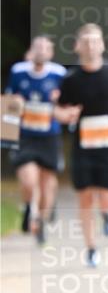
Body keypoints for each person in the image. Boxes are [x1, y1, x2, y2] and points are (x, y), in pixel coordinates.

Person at [54, 24, 108, 267]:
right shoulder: (71, 78)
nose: (90, 45)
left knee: (107, 198)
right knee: (85, 199)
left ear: (102, 45)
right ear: (78, 46)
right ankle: (91, 248)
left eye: (94, 41)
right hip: (83, 146)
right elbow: (58, 108)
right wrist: (65, 116)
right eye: (85, 41)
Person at [5, 35, 65, 244]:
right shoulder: (18, 71)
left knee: (47, 183)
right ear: (31, 50)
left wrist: (60, 104)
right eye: (37, 47)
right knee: (29, 180)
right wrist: (15, 106)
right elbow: (8, 104)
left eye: (45, 48)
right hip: (26, 136)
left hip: (49, 136)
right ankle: (28, 206)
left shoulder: (59, 74)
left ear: (51, 52)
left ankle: (39, 219)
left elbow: (66, 106)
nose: (40, 51)